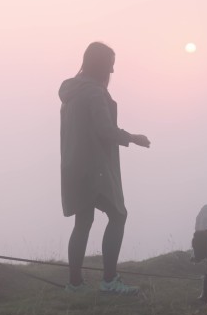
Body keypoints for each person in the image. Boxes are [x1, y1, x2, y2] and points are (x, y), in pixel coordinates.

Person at [59, 42, 150, 294]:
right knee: (118, 215)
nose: (112, 71)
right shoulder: (94, 93)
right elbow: (104, 129)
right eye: (110, 65)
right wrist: (133, 137)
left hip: (73, 166)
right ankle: (110, 281)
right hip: (95, 167)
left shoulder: (71, 93)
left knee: (83, 220)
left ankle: (74, 284)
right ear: (100, 65)